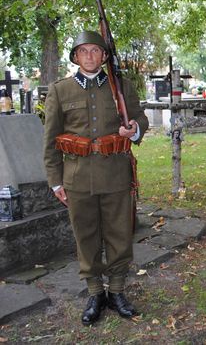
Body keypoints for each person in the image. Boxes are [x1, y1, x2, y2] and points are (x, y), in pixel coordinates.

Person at [43, 30, 149, 326]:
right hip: (76, 179)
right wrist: (55, 180)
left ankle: (116, 291)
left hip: (116, 174)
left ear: (104, 56)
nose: (89, 56)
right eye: (83, 51)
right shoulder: (60, 90)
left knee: (119, 235)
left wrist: (133, 129)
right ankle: (95, 292)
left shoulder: (122, 87)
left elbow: (140, 119)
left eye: (95, 50)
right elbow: (50, 139)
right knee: (86, 237)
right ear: (75, 56)